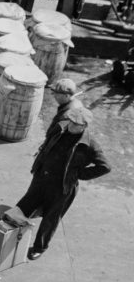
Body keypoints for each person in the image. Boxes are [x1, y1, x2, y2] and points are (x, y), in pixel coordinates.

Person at [16, 102, 111, 260]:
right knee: (24, 206)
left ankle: (40, 247)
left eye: (76, 124)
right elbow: (47, 142)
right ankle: (12, 234)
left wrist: (79, 174)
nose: (71, 125)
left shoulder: (90, 145)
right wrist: (39, 160)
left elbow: (105, 166)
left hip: (62, 188)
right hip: (42, 178)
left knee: (50, 219)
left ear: (84, 126)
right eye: (71, 120)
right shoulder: (60, 127)